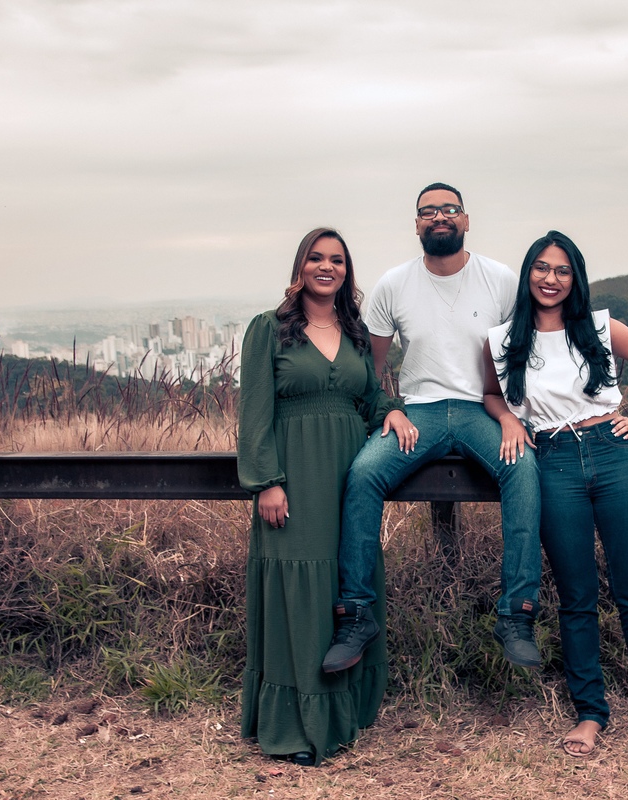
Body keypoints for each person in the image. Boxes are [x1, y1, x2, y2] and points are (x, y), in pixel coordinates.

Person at [483, 230, 628, 758]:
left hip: (615, 452)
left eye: (562, 270)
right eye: (541, 268)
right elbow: (489, 393)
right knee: (576, 598)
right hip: (551, 462)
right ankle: (590, 715)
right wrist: (508, 417)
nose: (550, 279)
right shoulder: (504, 339)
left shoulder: (600, 327)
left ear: (574, 278)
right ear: (527, 272)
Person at [321, 182, 543, 674]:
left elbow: (521, 357)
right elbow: (371, 372)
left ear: (466, 220)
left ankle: (517, 615)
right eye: (428, 212)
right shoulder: (394, 284)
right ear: (416, 224)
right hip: (417, 412)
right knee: (363, 475)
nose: (439, 216)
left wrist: (511, 415)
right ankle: (356, 615)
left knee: (524, 468)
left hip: (481, 410)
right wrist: (388, 411)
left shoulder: (500, 280)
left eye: (449, 209)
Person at [237, 227, 415, 766]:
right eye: (316, 257)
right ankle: (296, 726)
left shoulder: (356, 331)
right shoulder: (269, 329)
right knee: (300, 590)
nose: (327, 266)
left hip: (349, 477)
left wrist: (393, 410)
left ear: (346, 272)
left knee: (345, 581)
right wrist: (267, 480)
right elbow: (254, 412)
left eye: (337, 260)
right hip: (294, 477)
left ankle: (343, 716)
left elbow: (370, 398)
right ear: (300, 267)